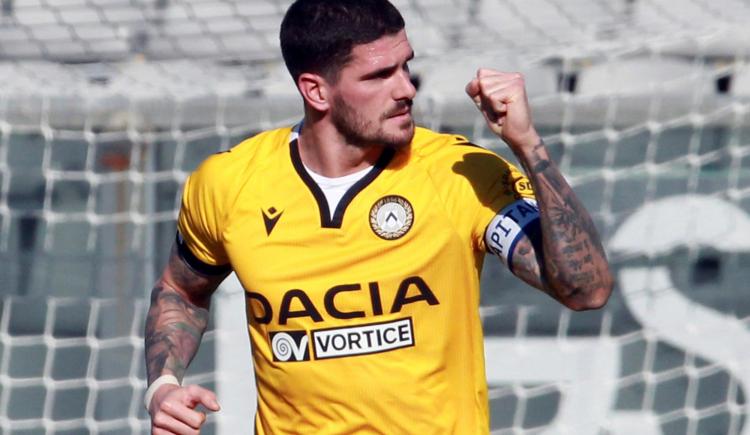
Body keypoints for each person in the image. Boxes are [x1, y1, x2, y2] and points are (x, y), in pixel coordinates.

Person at [143, 0, 614, 433]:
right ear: (316, 91)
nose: (406, 88)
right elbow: (181, 290)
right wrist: (163, 385)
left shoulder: (457, 173)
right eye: (379, 75)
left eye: (406, 65)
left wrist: (528, 146)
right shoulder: (229, 185)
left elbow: (586, 290)